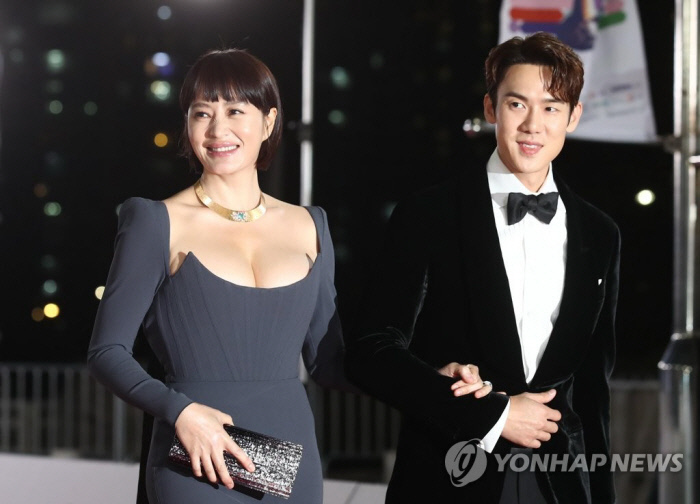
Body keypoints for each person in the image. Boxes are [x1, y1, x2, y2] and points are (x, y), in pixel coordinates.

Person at [344, 32, 619, 503]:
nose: (533, 125)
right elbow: (369, 352)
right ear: (492, 108)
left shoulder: (600, 233)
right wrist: (489, 413)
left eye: (551, 108)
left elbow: (593, 391)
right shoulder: (428, 214)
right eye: (517, 104)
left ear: (573, 117)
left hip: (562, 482)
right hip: (449, 474)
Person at [88, 48, 348, 504]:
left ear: (268, 122)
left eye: (235, 111)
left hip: (291, 464)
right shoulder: (156, 221)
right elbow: (106, 352)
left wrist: (427, 374)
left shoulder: (310, 224)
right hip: (197, 457)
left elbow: (330, 363)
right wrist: (181, 411)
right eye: (202, 113)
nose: (217, 130)